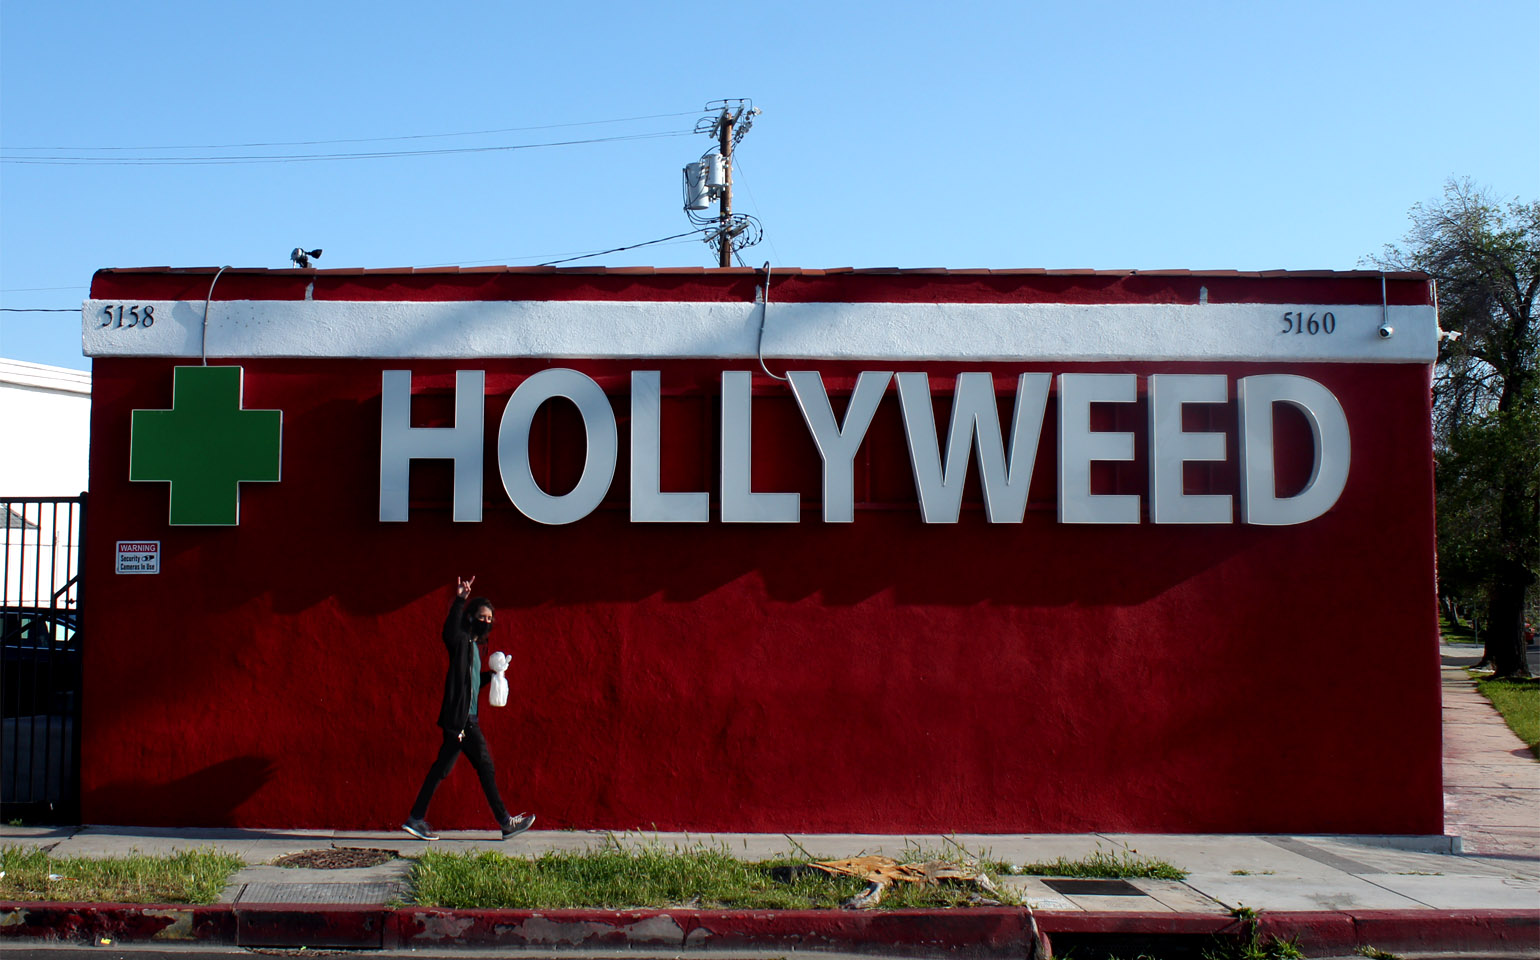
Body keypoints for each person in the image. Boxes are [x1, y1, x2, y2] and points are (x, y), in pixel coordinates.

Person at [402, 575, 535, 841]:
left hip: (463, 718)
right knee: (485, 766)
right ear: (471, 616)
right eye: (481, 616)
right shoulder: (461, 641)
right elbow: (448, 632)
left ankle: (416, 819)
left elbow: (472, 683)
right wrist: (461, 598)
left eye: (489, 618)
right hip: (462, 720)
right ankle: (506, 822)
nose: (486, 621)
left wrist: (494, 675)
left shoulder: (474, 647)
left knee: (441, 769)